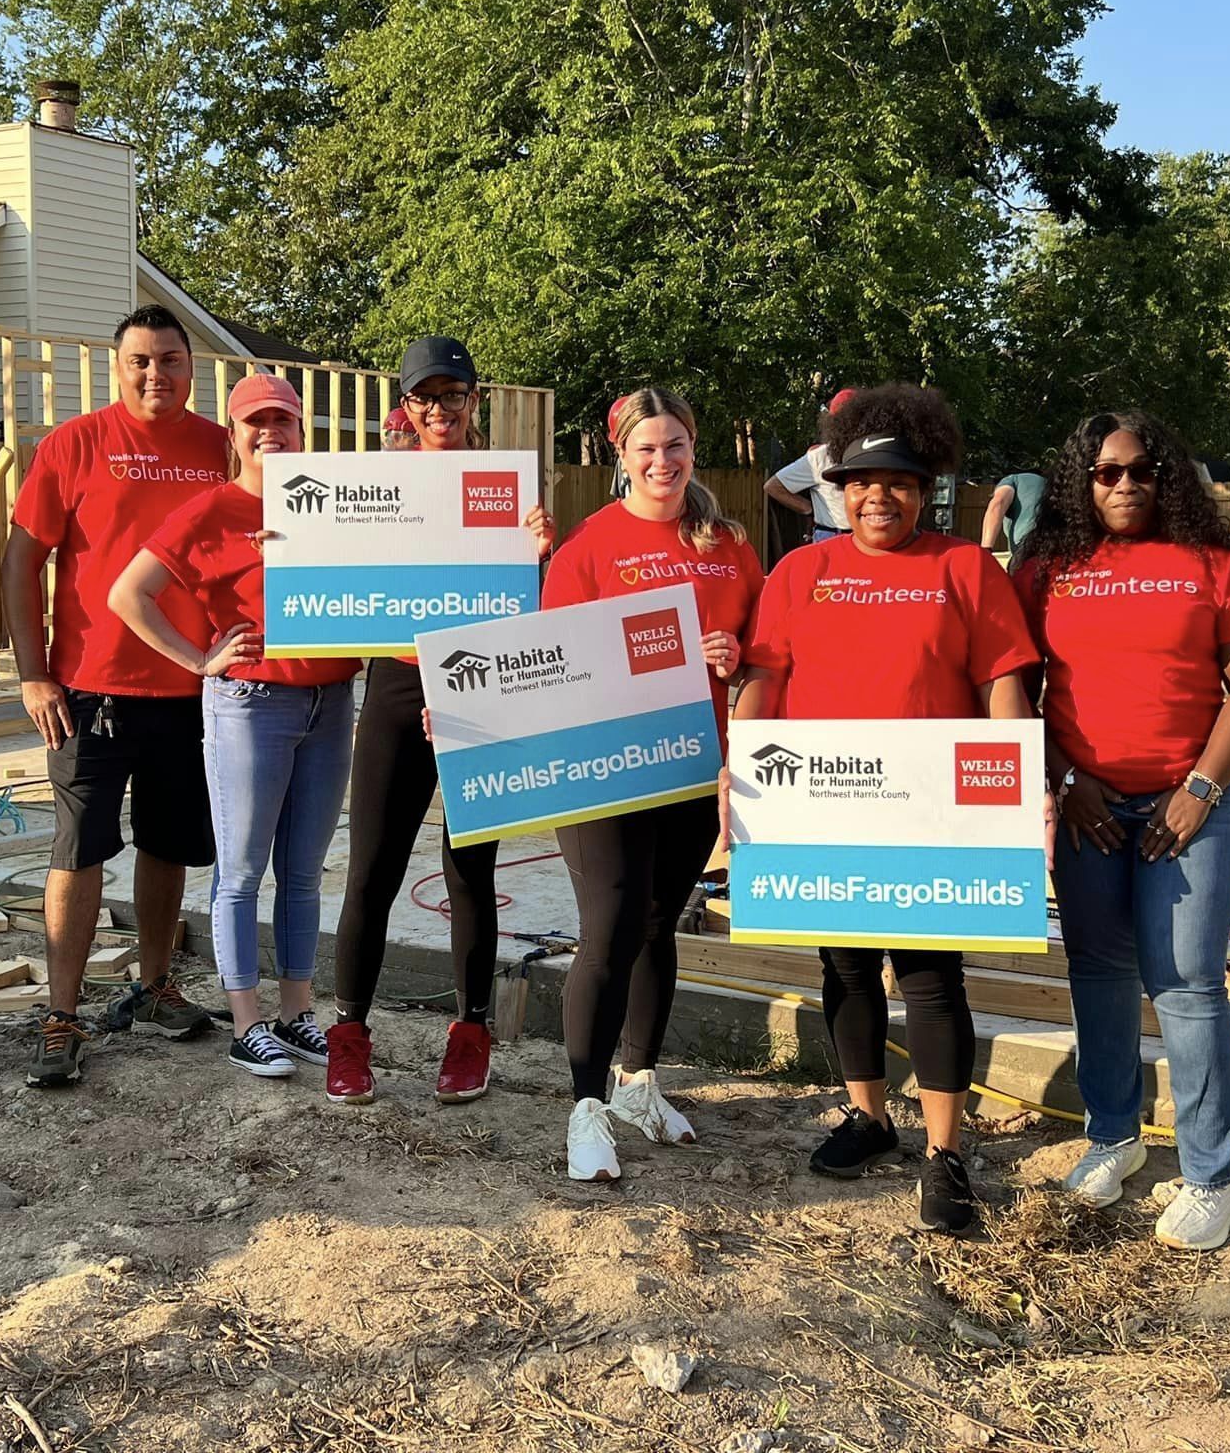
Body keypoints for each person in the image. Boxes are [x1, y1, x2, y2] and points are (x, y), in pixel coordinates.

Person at [732, 385, 1039, 1234]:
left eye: (899, 483)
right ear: (838, 488)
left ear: (925, 488)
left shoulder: (964, 569)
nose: (880, 497)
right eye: (863, 483)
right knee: (848, 968)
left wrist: (1018, 784)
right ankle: (869, 1118)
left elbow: (1002, 683)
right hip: (826, 805)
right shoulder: (802, 572)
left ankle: (946, 1154)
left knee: (933, 979)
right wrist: (739, 767)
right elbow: (764, 678)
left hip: (931, 807)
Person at [1014, 411, 1230, 1251]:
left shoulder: (1216, 565)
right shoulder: (1048, 569)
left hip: (1188, 806)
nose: (1124, 485)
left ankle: (1213, 1176)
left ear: (1168, 478)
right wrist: (1063, 777)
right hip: (1089, 805)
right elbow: (1018, 688)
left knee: (1189, 982)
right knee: (1097, 969)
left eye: (1140, 471)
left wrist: (1202, 787)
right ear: (1080, 483)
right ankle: (1113, 1137)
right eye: (1105, 473)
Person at [325, 336, 554, 1105]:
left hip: (478, 688)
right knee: (373, 871)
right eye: (425, 397)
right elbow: (337, 569)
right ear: (407, 406)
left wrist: (540, 556)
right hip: (396, 684)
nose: (439, 410)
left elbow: (525, 608)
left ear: (474, 400)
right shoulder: (385, 483)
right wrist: (292, 550)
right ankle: (350, 1033)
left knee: (470, 873)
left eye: (453, 395)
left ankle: (471, 1035)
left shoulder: (510, 488)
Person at [543, 386, 763, 1182]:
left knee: (658, 921)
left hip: (685, 760)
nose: (662, 461)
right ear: (620, 455)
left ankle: (639, 1082)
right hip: (602, 767)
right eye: (646, 447)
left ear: (693, 448)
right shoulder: (588, 547)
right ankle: (583, 1107)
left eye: (675, 445)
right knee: (607, 929)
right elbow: (553, 667)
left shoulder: (729, 543)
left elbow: (758, 648)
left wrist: (732, 658)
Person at [111, 373, 357, 1080]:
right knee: (243, 871)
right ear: (233, 434)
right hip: (252, 702)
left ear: (303, 432)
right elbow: (129, 594)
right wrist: (199, 658)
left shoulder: (334, 504)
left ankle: (297, 1011)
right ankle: (246, 1020)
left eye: (283, 421)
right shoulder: (210, 511)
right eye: (255, 422)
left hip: (331, 700)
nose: (269, 433)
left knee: (305, 873)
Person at [6, 304, 225, 1087]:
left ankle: (154, 983)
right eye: (139, 361)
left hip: (192, 683)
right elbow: (18, 563)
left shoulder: (219, 447)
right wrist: (34, 671)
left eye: (169, 359)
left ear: (191, 367)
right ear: (116, 367)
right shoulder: (75, 444)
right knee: (80, 849)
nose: (155, 374)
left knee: (169, 844)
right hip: (90, 686)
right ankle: (61, 1014)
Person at [763, 389, 857, 543]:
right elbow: (773, 486)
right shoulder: (820, 456)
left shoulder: (875, 454)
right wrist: (808, 508)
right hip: (832, 536)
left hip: (869, 537)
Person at [981, 469, 1047, 559]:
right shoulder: (1051, 485)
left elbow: (998, 503)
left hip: (1025, 547)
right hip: (1053, 548)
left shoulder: (1012, 480)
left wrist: (986, 550)